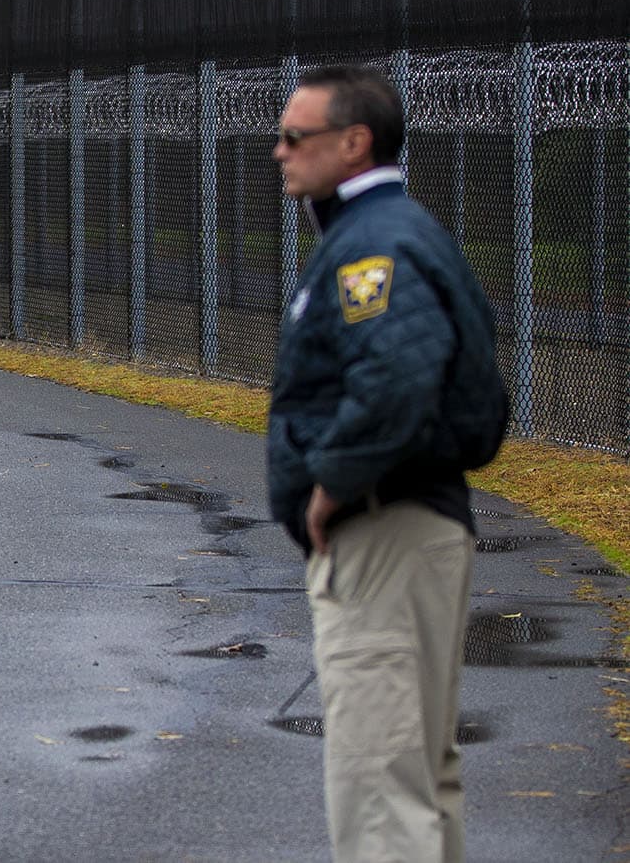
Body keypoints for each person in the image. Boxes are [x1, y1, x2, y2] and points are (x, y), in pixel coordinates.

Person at [267, 65, 507, 863]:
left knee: (380, 789)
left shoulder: (373, 243)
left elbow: (400, 374)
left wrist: (332, 481)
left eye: (296, 136)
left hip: (386, 531)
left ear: (354, 141)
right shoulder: (396, 231)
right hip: (417, 529)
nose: (280, 152)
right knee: (420, 780)